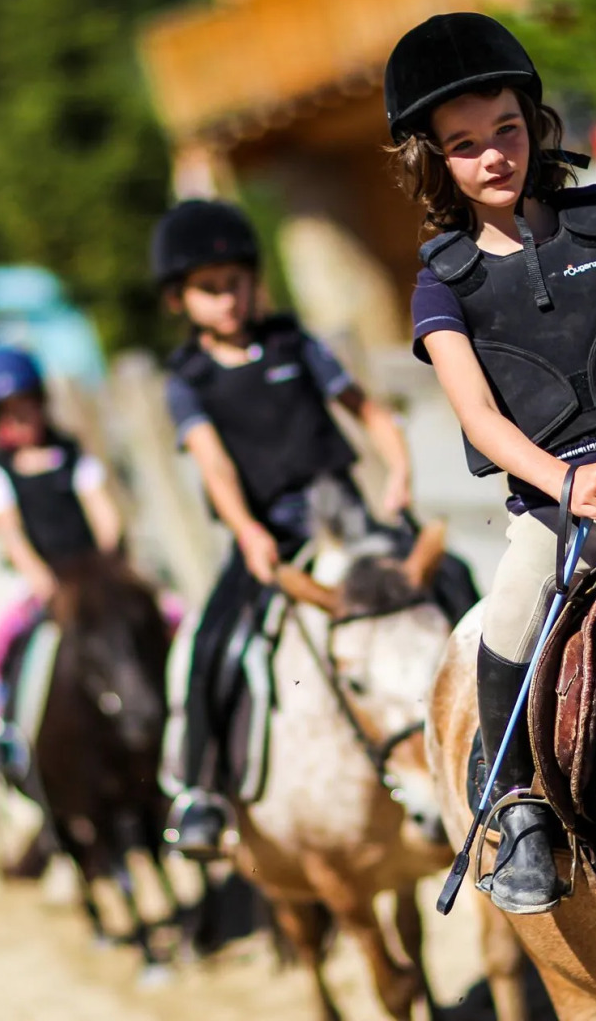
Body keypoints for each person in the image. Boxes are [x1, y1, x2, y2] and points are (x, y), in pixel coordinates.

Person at [384, 13, 596, 914]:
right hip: (557, 506)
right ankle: (519, 804)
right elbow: (480, 418)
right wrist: (565, 481)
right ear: (436, 161)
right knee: (509, 614)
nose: (493, 156)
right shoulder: (441, 285)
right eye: (465, 146)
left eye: (504, 129)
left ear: (533, 125)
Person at [151, 198, 418, 859]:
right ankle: (203, 789)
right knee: (210, 642)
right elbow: (213, 463)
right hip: (271, 537)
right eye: (209, 290)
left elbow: (366, 411)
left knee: (445, 587)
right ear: (180, 300)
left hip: (348, 520)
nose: (228, 300)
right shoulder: (188, 382)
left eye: (235, 283)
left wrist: (399, 469)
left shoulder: (295, 344)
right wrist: (245, 529)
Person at [0, 344, 124, 771]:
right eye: (7, 414)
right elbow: (13, 538)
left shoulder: (74, 456)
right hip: (45, 582)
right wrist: (41, 580)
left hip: (93, 572)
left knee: (165, 613)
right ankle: (0, 726)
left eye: (26, 409)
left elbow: (104, 514)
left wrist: (107, 559)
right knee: (0, 643)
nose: (20, 422)